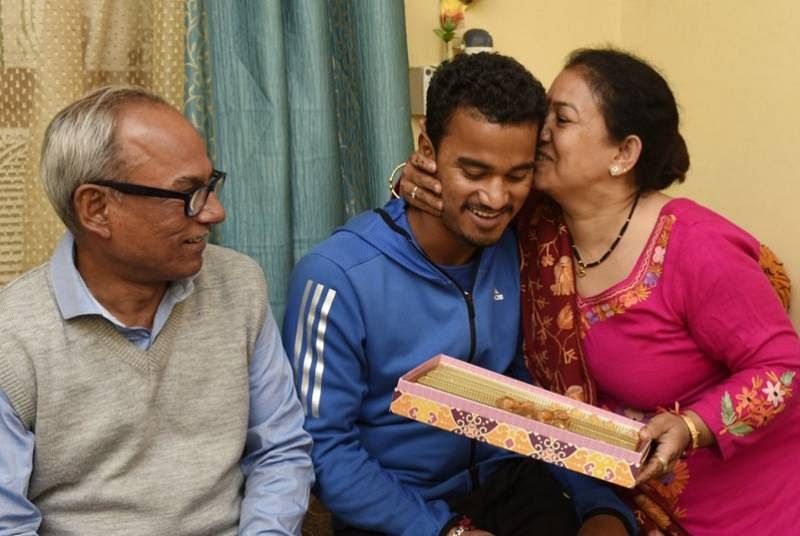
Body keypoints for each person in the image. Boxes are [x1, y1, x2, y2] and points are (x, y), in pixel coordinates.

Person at [399, 47, 800, 535]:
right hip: (613, 502)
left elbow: (781, 368)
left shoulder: (695, 247)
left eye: (561, 119)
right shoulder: (532, 223)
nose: (539, 131)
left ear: (623, 154)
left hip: (748, 509)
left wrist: (693, 425)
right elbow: (466, 194)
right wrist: (415, 176)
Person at [282, 52, 635, 536]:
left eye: (516, 176)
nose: (495, 198)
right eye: (473, 172)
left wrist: (599, 505)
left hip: (507, 483)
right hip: (397, 504)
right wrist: (445, 531)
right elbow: (322, 449)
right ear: (426, 148)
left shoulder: (519, 247)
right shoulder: (337, 277)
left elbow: (528, 393)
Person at [0, 86, 314, 535]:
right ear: (97, 209)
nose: (215, 212)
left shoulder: (238, 285)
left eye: (211, 185)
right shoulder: (12, 338)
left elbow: (279, 451)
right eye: (187, 194)